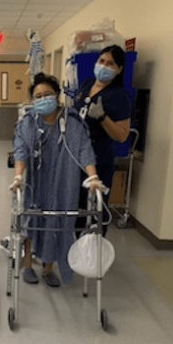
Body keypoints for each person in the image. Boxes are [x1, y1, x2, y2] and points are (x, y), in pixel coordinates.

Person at [11, 73, 103, 287]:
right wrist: (17, 177)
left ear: (57, 95)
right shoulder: (29, 121)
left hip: (64, 181)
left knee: (58, 221)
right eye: (38, 96)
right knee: (32, 219)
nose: (43, 99)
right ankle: (26, 265)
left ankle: (48, 267)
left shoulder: (72, 122)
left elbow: (84, 150)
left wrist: (93, 177)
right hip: (36, 181)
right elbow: (21, 150)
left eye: (47, 94)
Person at [74, 45, 130, 235]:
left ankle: (94, 254)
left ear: (119, 69)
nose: (104, 66)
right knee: (76, 206)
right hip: (75, 157)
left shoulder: (119, 96)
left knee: (96, 207)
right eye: (101, 61)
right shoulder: (86, 84)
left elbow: (122, 135)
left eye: (110, 63)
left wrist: (102, 117)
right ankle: (75, 251)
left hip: (99, 159)